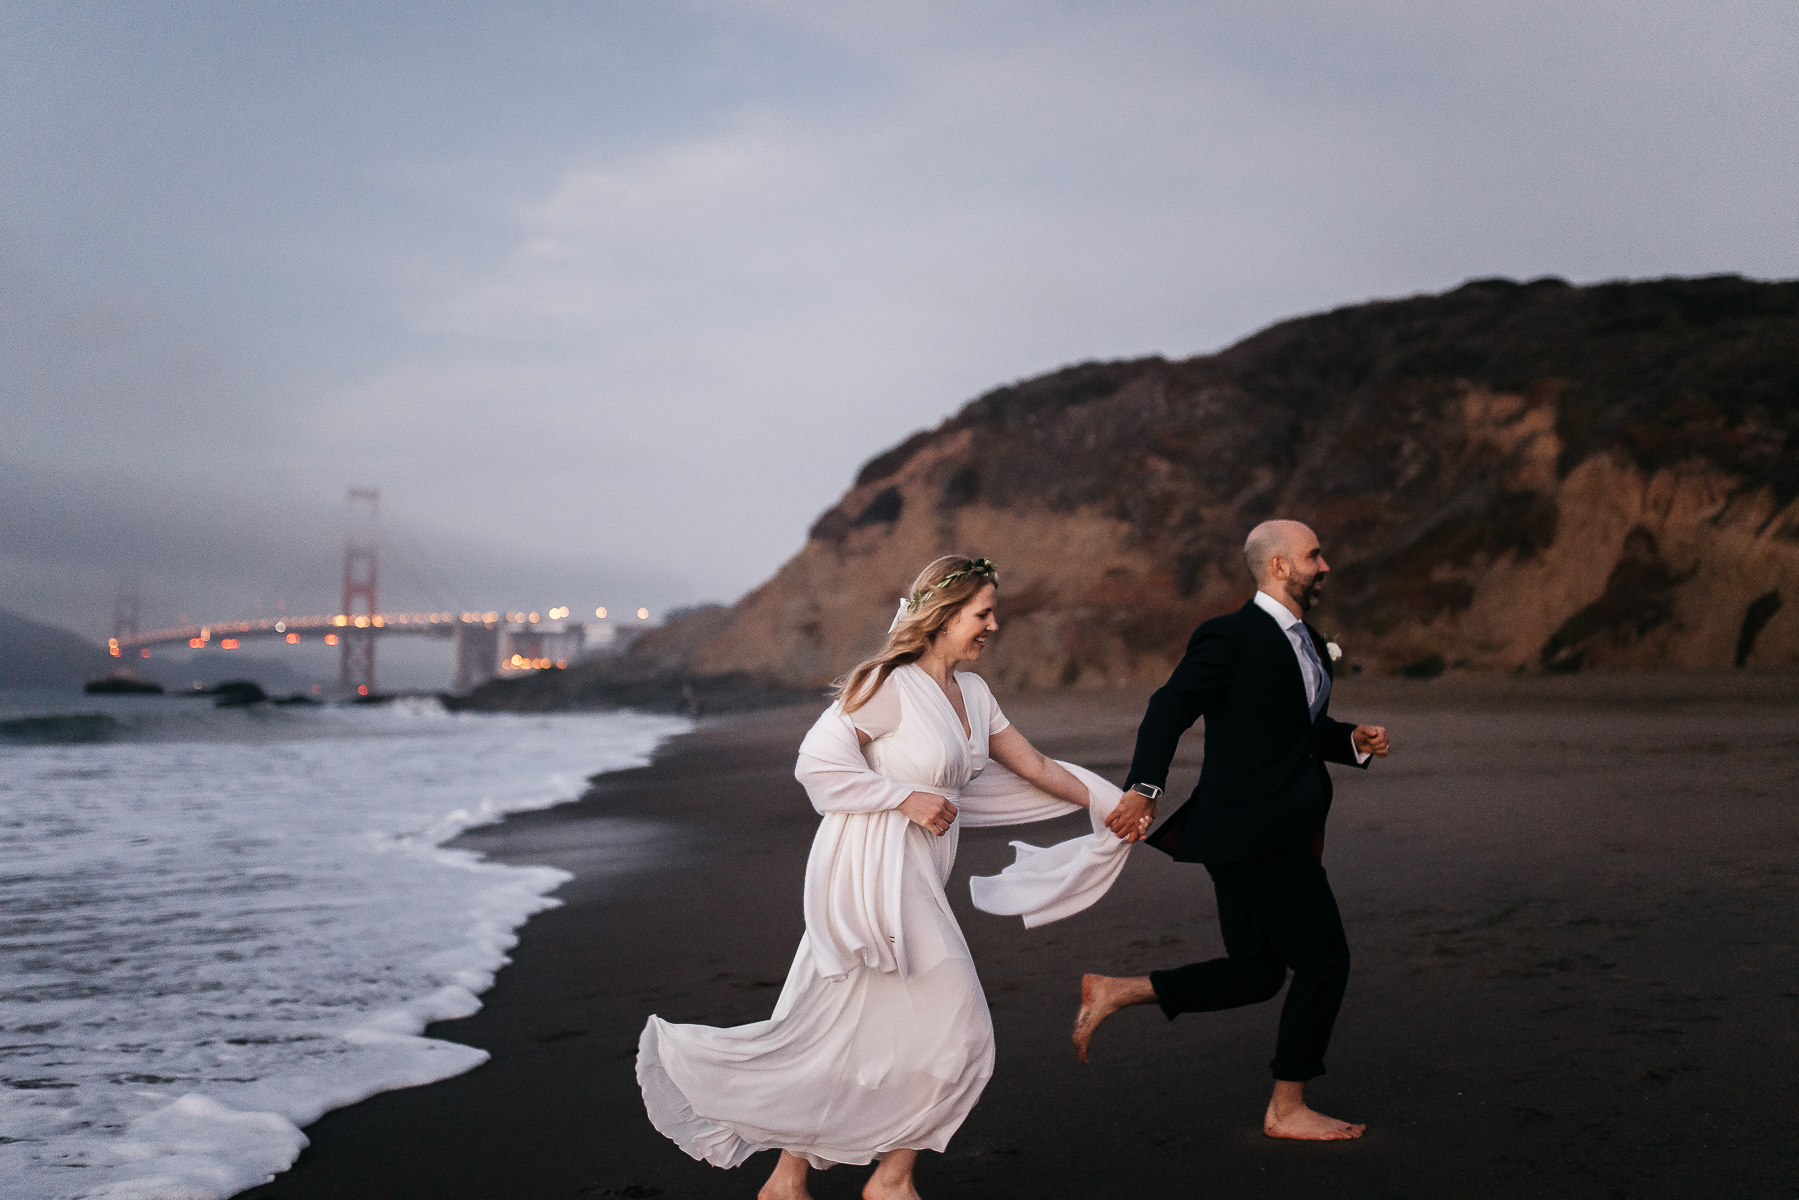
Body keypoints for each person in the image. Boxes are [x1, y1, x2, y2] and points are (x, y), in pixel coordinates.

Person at [639, 555, 1140, 1200]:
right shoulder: (888, 684)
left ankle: (787, 1181)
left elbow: (1037, 767)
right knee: (962, 1028)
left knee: (855, 1024)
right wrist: (903, 798)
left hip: (922, 873)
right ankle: (892, 1180)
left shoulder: (976, 696)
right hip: (875, 871)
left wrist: (1111, 803)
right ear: (943, 615)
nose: (993, 624)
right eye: (982, 612)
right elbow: (817, 763)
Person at [1073, 519, 1391, 1141]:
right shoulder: (1229, 636)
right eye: (1314, 555)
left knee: (1258, 972)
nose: (1325, 566)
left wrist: (1349, 740)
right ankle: (1287, 1108)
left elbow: (1291, 729)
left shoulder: (1307, 641)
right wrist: (1145, 788)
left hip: (1265, 830)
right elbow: (1169, 707)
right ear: (1278, 565)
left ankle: (1115, 990)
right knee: (1325, 963)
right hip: (1257, 832)